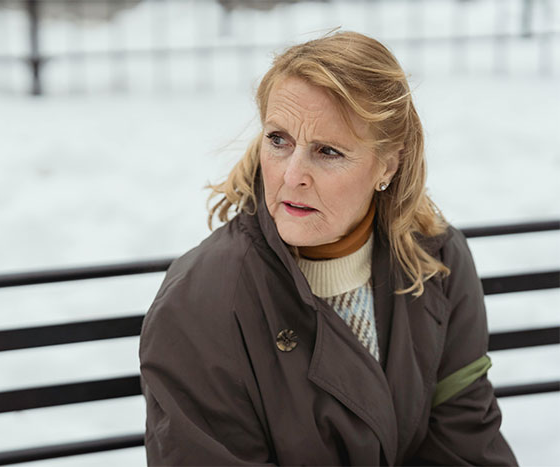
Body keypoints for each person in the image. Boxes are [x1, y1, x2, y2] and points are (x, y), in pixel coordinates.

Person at [138, 30, 518, 466]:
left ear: (387, 165)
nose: (292, 176)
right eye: (278, 140)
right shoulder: (200, 302)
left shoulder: (435, 260)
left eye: (328, 151)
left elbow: (465, 444)